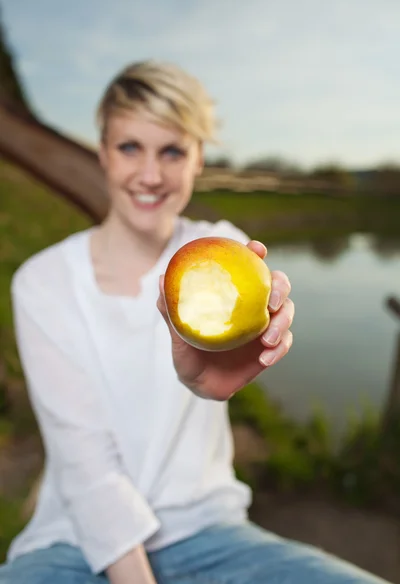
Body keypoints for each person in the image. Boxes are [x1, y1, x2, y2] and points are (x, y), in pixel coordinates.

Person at [0, 60, 387, 584]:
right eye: (130, 147)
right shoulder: (43, 281)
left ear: (199, 156)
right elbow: (84, 462)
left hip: (210, 531)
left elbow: (209, 376)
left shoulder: (226, 252)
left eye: (173, 151)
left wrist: (211, 382)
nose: (151, 174)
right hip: (75, 541)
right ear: (102, 152)